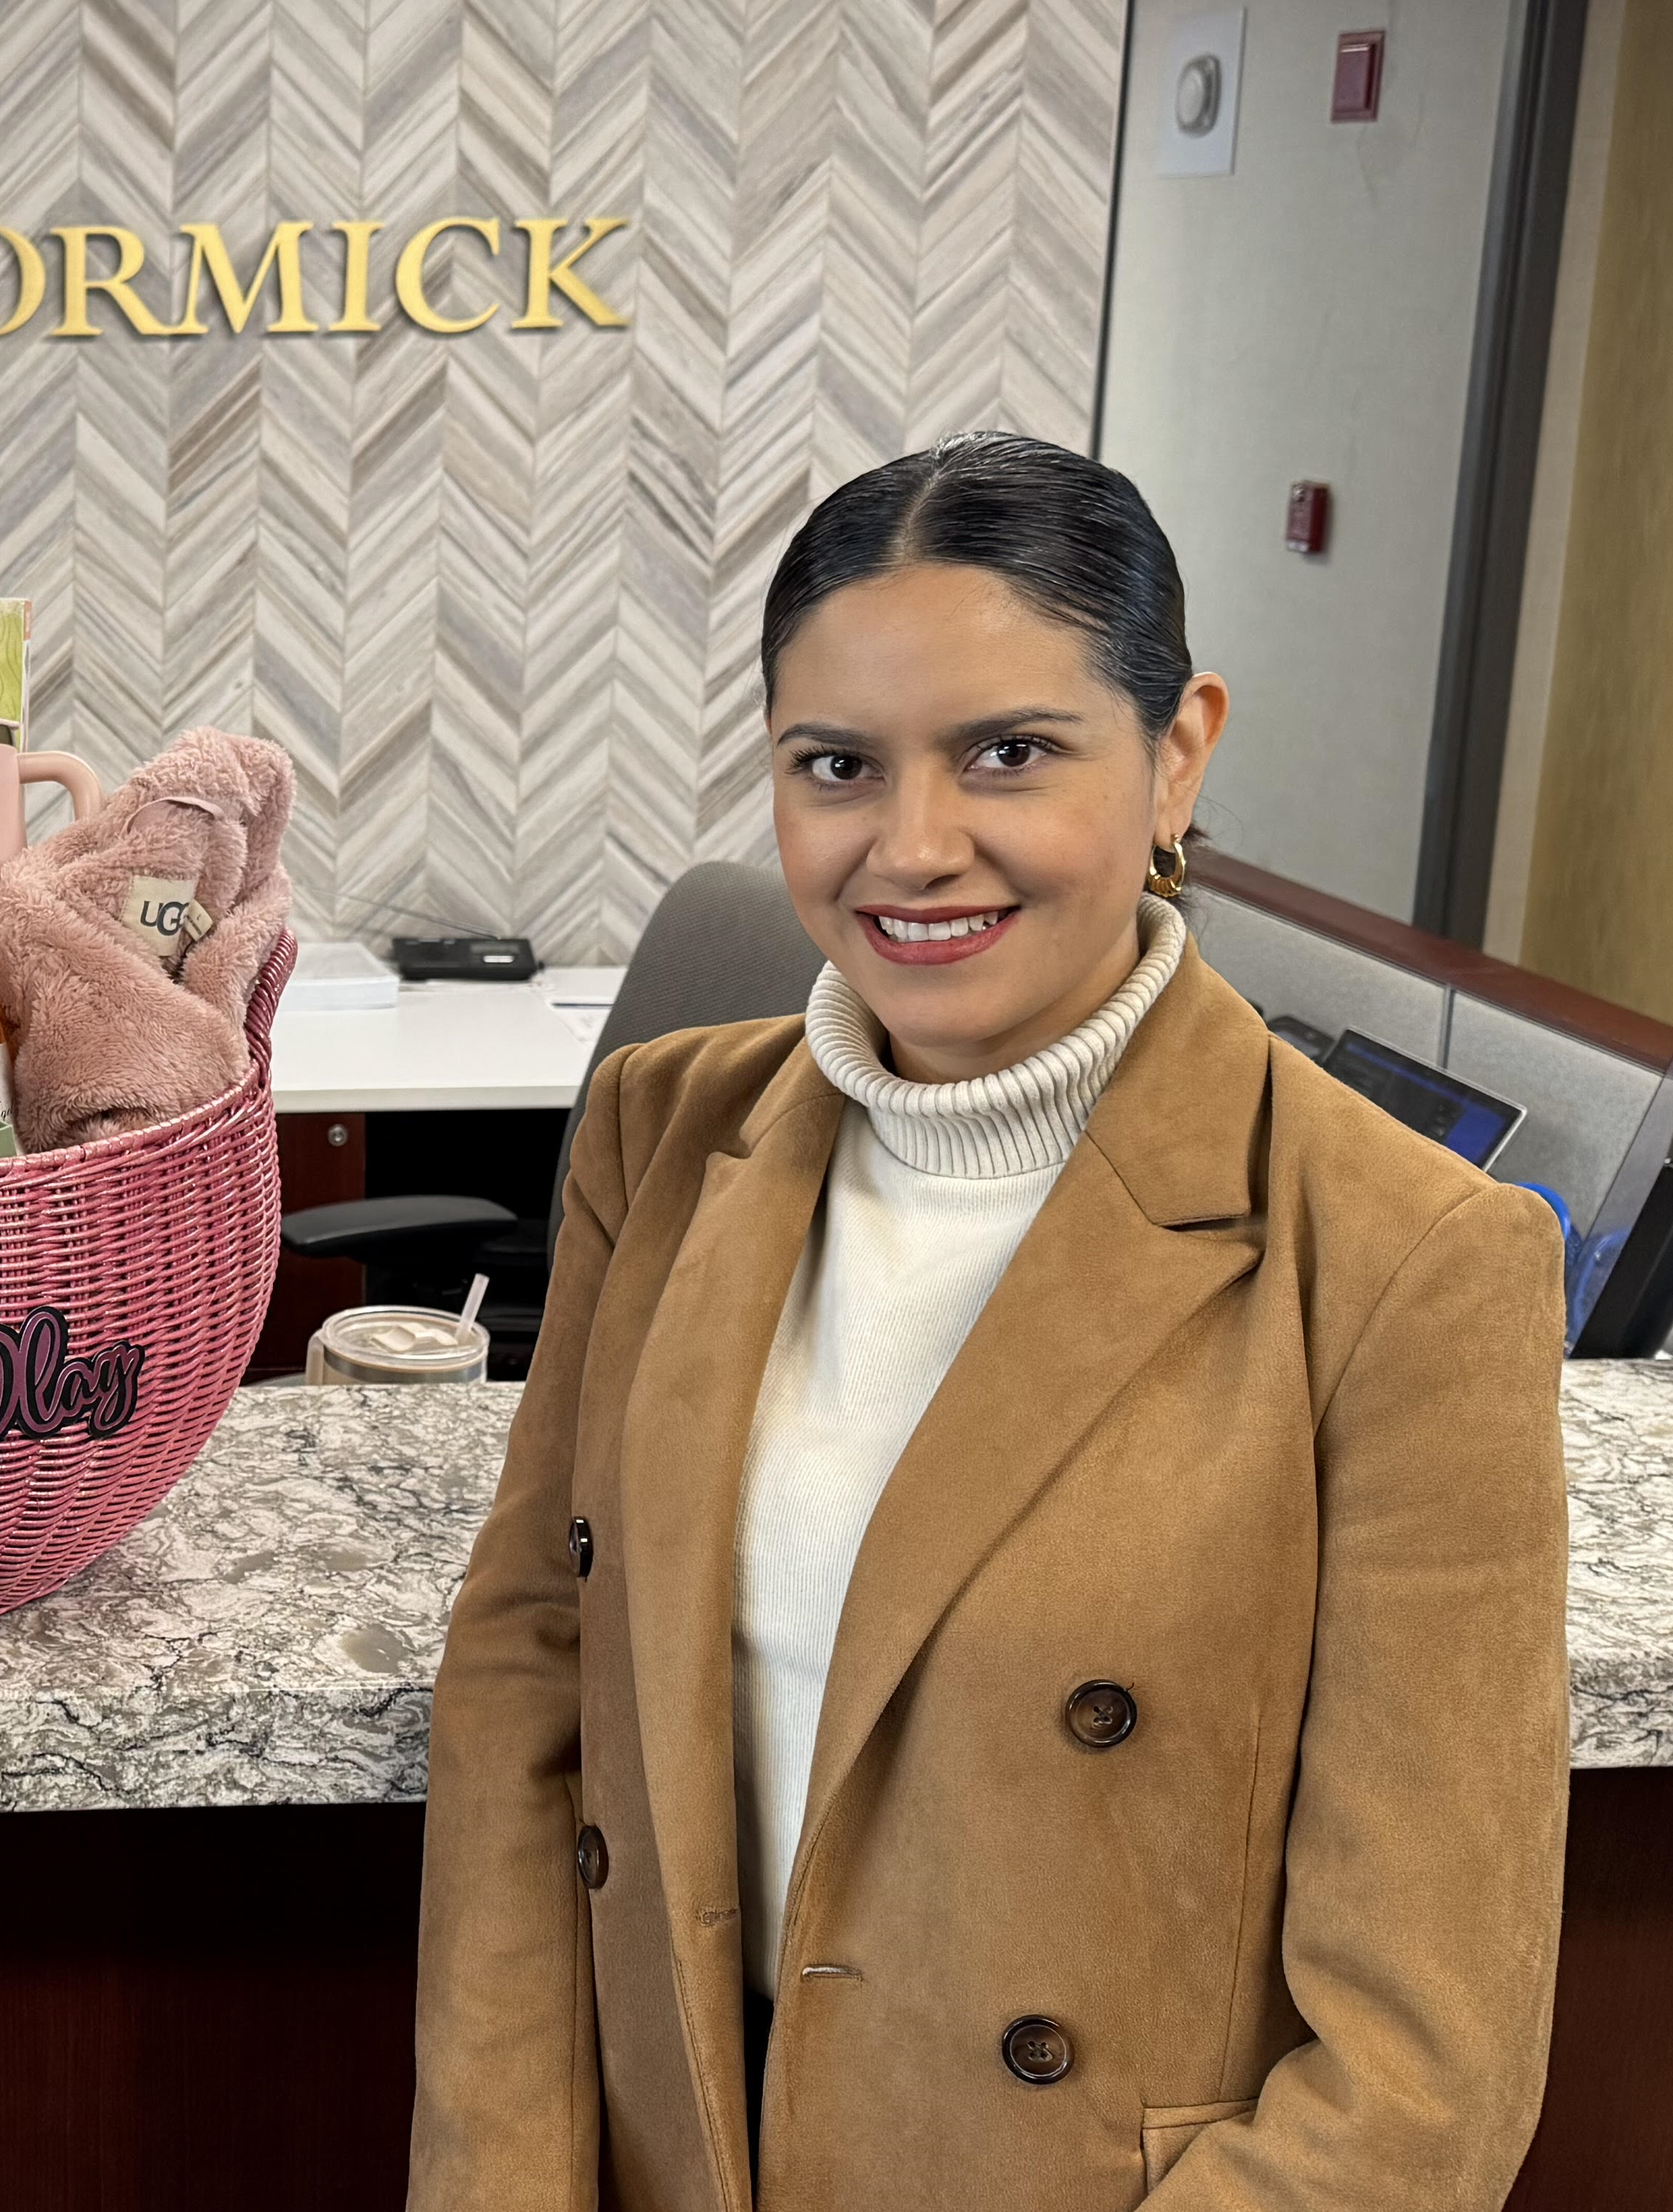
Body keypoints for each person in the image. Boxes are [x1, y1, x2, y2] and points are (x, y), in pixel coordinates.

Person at [411, 434, 1568, 2209]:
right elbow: (525, 1690)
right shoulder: (661, 1131)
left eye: (1009, 753)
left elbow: (1423, 2071)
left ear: (1177, 755)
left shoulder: (1407, 1258)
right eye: (837, 766)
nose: (913, 846)